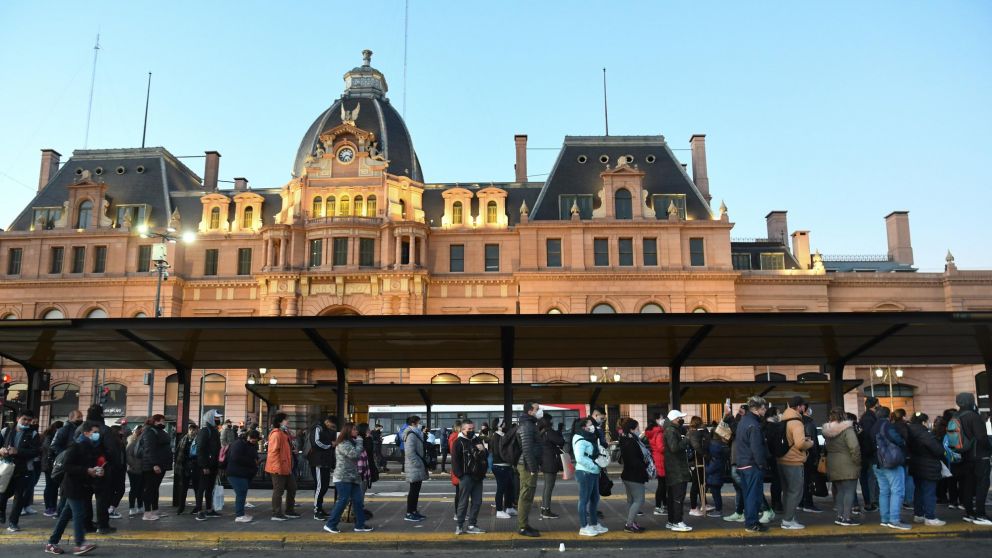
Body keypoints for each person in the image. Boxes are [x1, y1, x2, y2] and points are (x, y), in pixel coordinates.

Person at [44, 420, 102, 556]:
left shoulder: (90, 446)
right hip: (72, 487)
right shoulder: (76, 446)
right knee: (79, 514)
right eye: (95, 432)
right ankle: (79, 544)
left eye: (98, 433)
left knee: (65, 516)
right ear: (86, 433)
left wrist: (96, 470)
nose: (97, 435)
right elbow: (67, 466)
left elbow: (87, 466)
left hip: (80, 486)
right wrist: (87, 470)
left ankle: (51, 543)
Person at [323, 422, 374, 534]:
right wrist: (360, 441)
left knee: (358, 501)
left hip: (353, 477)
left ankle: (360, 525)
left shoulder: (352, 441)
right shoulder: (343, 443)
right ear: (348, 431)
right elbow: (354, 455)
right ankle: (330, 524)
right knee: (343, 500)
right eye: (354, 429)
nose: (356, 431)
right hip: (343, 477)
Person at [954, 392, 992, 525]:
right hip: (979, 456)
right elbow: (982, 438)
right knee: (982, 484)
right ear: (970, 401)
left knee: (967, 485)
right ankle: (981, 514)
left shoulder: (956, 416)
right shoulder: (974, 417)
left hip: (964, 456)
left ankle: (969, 513)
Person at [0, 410, 41, 532]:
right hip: (6, 468)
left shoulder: (33, 434)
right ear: (18, 419)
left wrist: (18, 451)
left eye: (29, 420)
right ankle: (1, 514)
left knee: (19, 498)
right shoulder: (6, 431)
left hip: (23, 470)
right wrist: (1, 450)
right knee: (2, 494)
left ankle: (13, 522)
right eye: (24, 419)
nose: (27, 422)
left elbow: (35, 452)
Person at [735, 396, 770, 532]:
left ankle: (750, 521)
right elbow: (757, 448)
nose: (765, 410)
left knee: (748, 494)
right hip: (752, 465)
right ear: (756, 409)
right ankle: (752, 523)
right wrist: (762, 464)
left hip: (743, 463)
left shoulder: (743, 421)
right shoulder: (754, 425)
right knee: (753, 496)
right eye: (763, 408)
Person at [778, 396, 814, 530]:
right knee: (796, 492)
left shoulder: (783, 419)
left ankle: (789, 517)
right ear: (799, 407)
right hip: (793, 461)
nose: (804, 408)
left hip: (782, 459)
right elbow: (800, 444)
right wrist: (810, 443)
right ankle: (787, 521)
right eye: (803, 406)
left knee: (787, 492)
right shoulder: (797, 422)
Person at [822, 407, 861, 526]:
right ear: (843, 416)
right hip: (848, 463)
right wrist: (857, 461)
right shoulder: (847, 430)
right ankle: (847, 518)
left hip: (833, 463)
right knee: (849, 491)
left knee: (839, 492)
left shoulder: (827, 432)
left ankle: (839, 516)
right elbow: (854, 448)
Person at [874, 407, 910, 530]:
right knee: (897, 490)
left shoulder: (873, 426)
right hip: (890, 462)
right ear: (889, 416)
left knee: (884, 491)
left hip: (876, 462)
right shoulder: (887, 425)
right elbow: (898, 440)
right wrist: (903, 443)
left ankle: (885, 519)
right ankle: (894, 520)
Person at [906, 412, 945, 526]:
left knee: (918, 490)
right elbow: (937, 450)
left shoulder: (909, 431)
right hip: (928, 466)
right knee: (929, 492)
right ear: (924, 422)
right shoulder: (924, 433)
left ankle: (918, 514)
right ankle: (930, 517)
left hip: (915, 464)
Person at [451, 419, 488, 535]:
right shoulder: (458, 442)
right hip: (466, 477)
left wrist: (483, 450)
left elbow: (485, 455)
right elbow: (454, 461)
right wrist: (461, 475)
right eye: (469, 429)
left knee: (477, 501)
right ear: (463, 430)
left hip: (478, 476)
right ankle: (460, 526)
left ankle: (472, 525)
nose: (472, 431)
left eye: (473, 428)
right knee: (463, 502)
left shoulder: (476, 439)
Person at [572, 417, 606, 537]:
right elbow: (579, 458)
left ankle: (594, 524)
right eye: (590, 424)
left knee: (595, 498)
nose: (592, 427)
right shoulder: (581, 440)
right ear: (584, 427)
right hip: (585, 472)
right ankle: (584, 526)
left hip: (593, 472)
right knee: (584, 500)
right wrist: (593, 466)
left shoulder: (588, 438)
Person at [619, 418, 651, 533]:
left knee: (631, 501)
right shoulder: (631, 442)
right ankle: (629, 525)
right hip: (635, 475)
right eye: (637, 428)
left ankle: (632, 522)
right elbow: (634, 460)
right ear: (632, 429)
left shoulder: (625, 439)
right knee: (639, 500)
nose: (639, 430)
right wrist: (645, 465)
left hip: (628, 474)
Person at [265, 412, 299, 521]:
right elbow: (273, 452)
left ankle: (289, 510)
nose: (288, 421)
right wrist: (277, 468)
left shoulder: (284, 433)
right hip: (278, 468)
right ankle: (276, 513)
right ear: (280, 421)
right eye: (286, 419)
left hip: (286, 467)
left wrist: (292, 450)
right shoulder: (276, 434)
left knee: (292, 487)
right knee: (278, 491)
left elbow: (284, 450)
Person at [663, 409, 692, 532]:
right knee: (678, 497)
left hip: (674, 469)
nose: (681, 420)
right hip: (677, 469)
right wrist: (686, 439)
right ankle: (677, 521)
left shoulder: (671, 429)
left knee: (673, 497)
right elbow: (674, 448)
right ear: (675, 419)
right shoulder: (671, 431)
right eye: (680, 418)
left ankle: (672, 521)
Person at [516, 401, 543, 537]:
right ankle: (522, 527)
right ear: (530, 411)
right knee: (526, 496)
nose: (540, 411)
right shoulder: (527, 425)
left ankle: (524, 524)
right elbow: (527, 449)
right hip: (527, 465)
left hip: (528, 464)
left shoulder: (530, 424)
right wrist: (533, 468)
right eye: (537, 409)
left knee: (527, 495)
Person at [191, 409, 223, 521]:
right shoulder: (205, 431)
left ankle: (209, 509)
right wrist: (204, 466)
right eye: (216, 418)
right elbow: (200, 449)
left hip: (213, 465)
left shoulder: (214, 431)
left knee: (210, 488)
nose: (218, 420)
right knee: (202, 488)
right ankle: (199, 510)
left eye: (218, 418)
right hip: (204, 466)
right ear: (210, 418)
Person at [139, 414, 171, 521]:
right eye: (162, 421)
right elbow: (149, 449)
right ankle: (147, 513)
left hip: (160, 464)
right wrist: (155, 464)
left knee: (154, 489)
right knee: (149, 489)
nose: (164, 423)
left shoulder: (158, 431)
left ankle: (155, 510)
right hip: (151, 466)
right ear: (156, 421)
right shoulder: (149, 432)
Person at [227, 429, 261, 523]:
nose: (254, 441)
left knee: (242, 493)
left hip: (243, 473)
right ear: (248, 437)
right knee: (241, 493)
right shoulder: (239, 444)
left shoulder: (250, 444)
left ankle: (241, 513)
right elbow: (235, 457)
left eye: (256, 440)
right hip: (236, 473)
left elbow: (253, 454)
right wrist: (252, 462)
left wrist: (256, 460)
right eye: (253, 439)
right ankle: (239, 515)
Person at [308, 415, 337, 520]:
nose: (332, 427)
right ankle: (317, 510)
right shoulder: (317, 428)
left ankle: (320, 508)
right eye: (332, 424)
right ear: (327, 421)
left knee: (324, 486)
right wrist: (330, 445)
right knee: (320, 486)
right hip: (318, 462)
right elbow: (316, 442)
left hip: (325, 461)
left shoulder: (325, 429)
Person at [538, 414, 564, 519]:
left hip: (545, 462)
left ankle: (544, 509)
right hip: (550, 462)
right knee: (549, 487)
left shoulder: (541, 432)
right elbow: (561, 441)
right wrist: (559, 432)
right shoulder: (549, 432)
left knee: (546, 487)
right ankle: (546, 511)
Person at [403, 415, 428, 521]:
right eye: (419, 422)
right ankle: (409, 513)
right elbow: (409, 452)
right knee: (413, 490)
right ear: (413, 423)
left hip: (416, 466)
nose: (420, 424)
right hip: (414, 466)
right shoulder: (411, 434)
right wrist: (417, 463)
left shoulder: (415, 433)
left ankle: (413, 511)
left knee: (416, 490)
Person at [491, 419, 518, 519]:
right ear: (499, 426)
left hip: (506, 465)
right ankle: (499, 510)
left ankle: (509, 507)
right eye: (504, 424)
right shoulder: (496, 437)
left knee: (510, 487)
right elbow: (498, 452)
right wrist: (509, 457)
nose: (506, 425)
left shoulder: (502, 436)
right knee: (501, 488)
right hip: (500, 466)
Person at [799, 405, 822, 513]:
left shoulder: (796, 422)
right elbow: (813, 442)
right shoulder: (809, 422)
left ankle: (800, 502)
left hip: (798, 456)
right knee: (808, 480)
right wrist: (816, 456)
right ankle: (808, 503)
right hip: (808, 456)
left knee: (801, 480)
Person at [706, 423, 732, 519]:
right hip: (719, 476)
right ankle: (718, 509)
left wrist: (706, 468)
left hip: (714, 478)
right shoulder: (724, 448)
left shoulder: (714, 455)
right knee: (716, 493)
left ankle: (718, 510)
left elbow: (710, 469)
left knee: (716, 494)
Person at [859, 397, 881, 512]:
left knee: (869, 479)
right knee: (870, 479)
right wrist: (873, 451)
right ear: (875, 405)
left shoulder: (866, 417)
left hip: (866, 453)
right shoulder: (869, 418)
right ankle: (871, 502)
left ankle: (870, 501)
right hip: (868, 455)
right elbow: (869, 436)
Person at [687, 416, 711, 517]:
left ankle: (703, 504)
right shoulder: (694, 433)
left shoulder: (693, 432)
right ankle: (693, 507)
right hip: (695, 461)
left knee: (700, 483)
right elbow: (697, 446)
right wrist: (705, 454)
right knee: (696, 484)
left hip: (696, 461)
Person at [644, 413, 667, 516]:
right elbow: (661, 448)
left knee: (662, 484)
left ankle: (663, 505)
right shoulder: (659, 432)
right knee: (662, 485)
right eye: (662, 418)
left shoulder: (652, 432)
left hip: (657, 458)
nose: (664, 420)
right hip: (661, 459)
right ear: (657, 420)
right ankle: (658, 507)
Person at [40, 421, 64, 517]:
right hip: (49, 465)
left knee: (52, 486)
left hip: (49, 465)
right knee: (50, 486)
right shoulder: (50, 437)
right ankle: (49, 507)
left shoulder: (50, 435)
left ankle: (51, 506)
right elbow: (50, 450)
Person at [174, 423, 199, 514]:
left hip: (195, 466)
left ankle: (198, 506)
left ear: (197, 430)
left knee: (197, 487)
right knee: (183, 488)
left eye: (194, 430)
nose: (192, 431)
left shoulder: (198, 440)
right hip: (185, 467)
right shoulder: (183, 439)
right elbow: (178, 452)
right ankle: (181, 507)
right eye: (190, 430)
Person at [356, 423, 378, 520]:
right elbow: (368, 450)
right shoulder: (360, 440)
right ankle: (358, 511)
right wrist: (368, 439)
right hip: (362, 468)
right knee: (360, 490)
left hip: (367, 467)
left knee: (363, 489)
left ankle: (360, 508)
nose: (369, 430)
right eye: (368, 429)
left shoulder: (364, 439)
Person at [124, 424, 145, 517]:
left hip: (141, 469)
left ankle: (140, 506)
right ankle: (132, 507)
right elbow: (128, 455)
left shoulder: (140, 442)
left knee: (140, 488)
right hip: (134, 469)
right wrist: (133, 465)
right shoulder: (133, 442)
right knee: (135, 489)